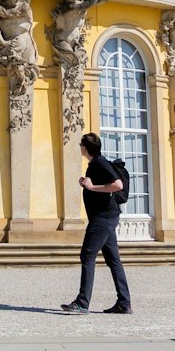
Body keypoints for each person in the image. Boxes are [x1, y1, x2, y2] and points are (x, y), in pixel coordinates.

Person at [62, 132, 132, 314]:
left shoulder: (100, 162)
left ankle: (82, 303)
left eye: (81, 145)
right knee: (113, 260)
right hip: (105, 217)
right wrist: (86, 184)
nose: (80, 148)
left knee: (87, 255)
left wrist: (92, 187)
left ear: (85, 148)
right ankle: (124, 303)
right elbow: (101, 186)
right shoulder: (94, 164)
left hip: (103, 218)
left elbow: (118, 185)